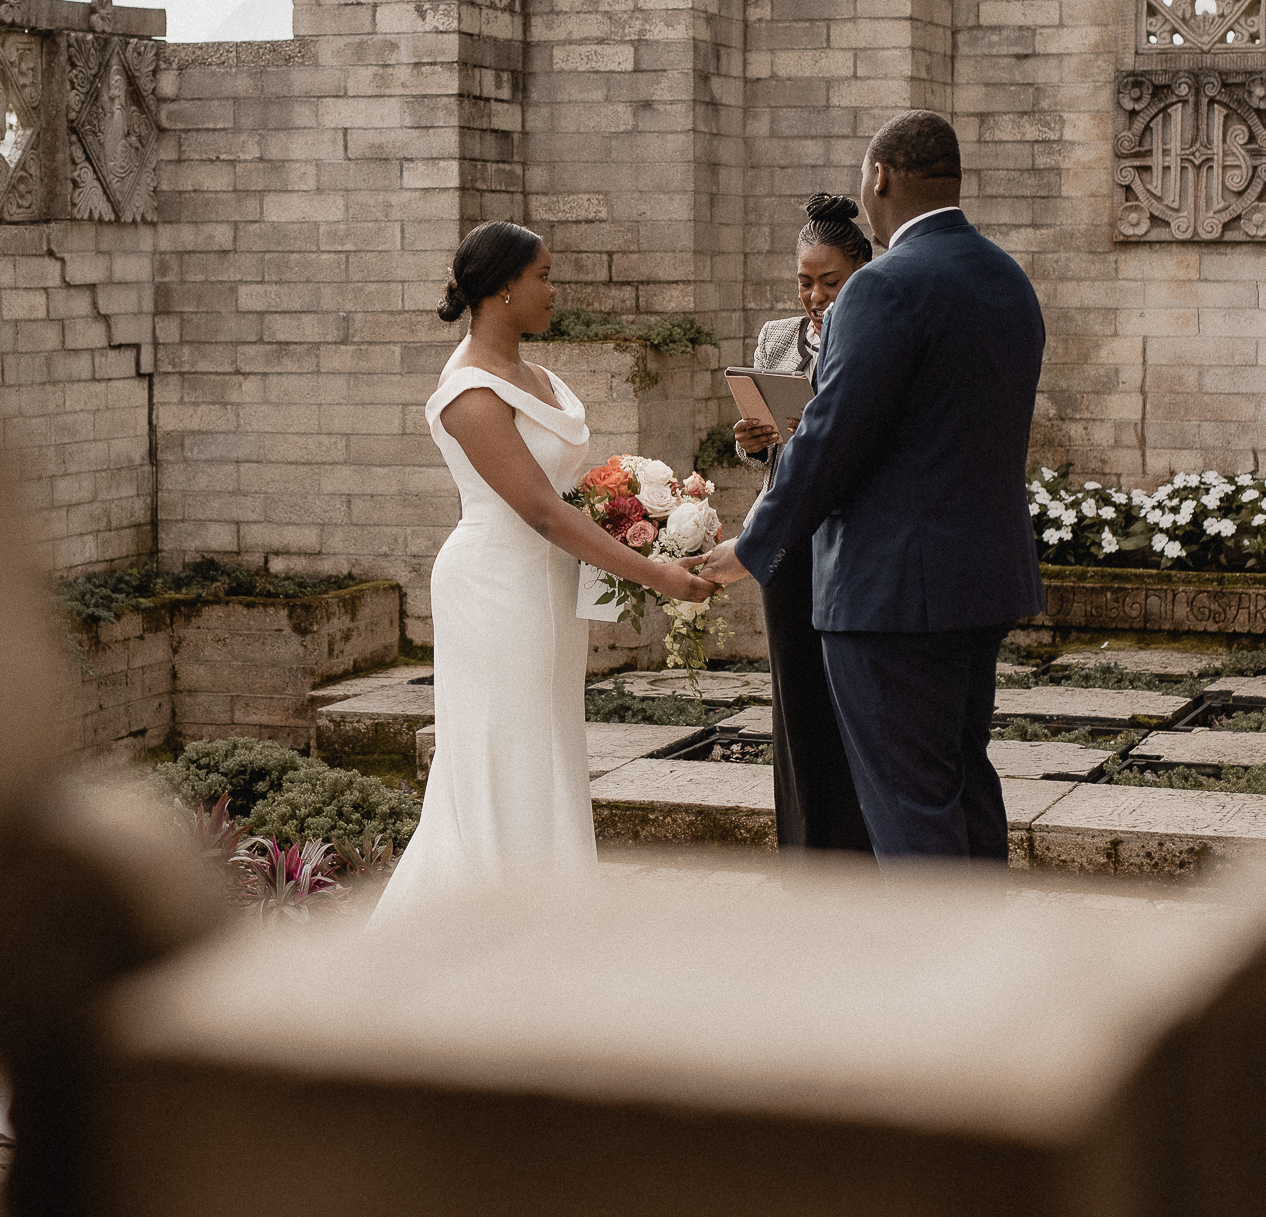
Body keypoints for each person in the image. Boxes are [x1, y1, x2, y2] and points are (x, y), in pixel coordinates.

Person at [700, 112, 1045, 861]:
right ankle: (989, 966)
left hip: (891, 594)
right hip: (982, 583)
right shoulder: (1007, 279)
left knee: (909, 806)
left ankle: (930, 974)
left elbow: (829, 440)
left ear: (880, 177)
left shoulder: (882, 287)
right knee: (965, 783)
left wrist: (752, 548)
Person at [372, 222, 719, 923]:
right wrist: (659, 579)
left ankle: (552, 914)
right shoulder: (467, 390)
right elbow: (543, 513)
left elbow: (572, 497)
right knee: (506, 748)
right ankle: (490, 920)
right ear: (504, 287)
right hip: (496, 586)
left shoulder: (540, 377)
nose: (555, 289)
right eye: (544, 275)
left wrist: (646, 512)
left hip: (549, 589)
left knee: (549, 744)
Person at [732, 193, 876, 854]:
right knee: (795, 698)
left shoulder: (877, 334)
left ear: (859, 272)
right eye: (805, 280)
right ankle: (805, 849)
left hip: (852, 539)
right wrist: (754, 437)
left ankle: (860, 845)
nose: (815, 294)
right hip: (786, 537)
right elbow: (759, 449)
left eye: (829, 280)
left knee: (854, 694)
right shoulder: (776, 337)